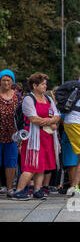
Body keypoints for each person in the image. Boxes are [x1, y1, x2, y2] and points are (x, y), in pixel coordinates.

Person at [12, 73, 61, 200]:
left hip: (47, 137)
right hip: (33, 138)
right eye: (43, 84)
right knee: (32, 165)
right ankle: (18, 191)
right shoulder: (29, 99)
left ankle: (37, 190)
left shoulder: (48, 99)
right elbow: (33, 118)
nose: (46, 86)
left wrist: (48, 121)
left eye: (46, 83)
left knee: (42, 165)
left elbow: (57, 115)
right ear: (35, 85)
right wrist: (51, 121)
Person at [0, 70, 20, 198]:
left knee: (11, 162)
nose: (6, 82)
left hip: (13, 135)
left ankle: (9, 188)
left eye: (8, 80)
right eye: (3, 80)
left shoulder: (18, 96)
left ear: (12, 81)